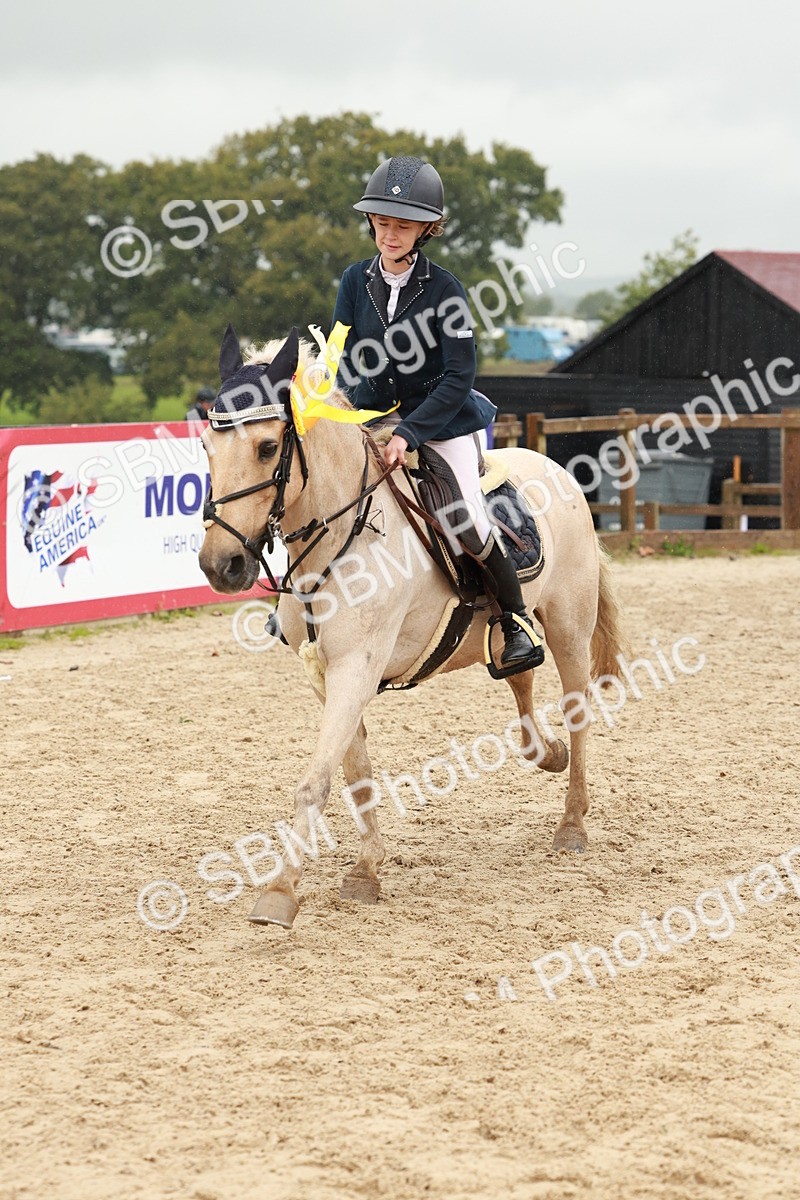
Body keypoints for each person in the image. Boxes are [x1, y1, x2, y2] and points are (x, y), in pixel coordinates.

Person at [331, 155, 543, 671]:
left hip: (442, 420)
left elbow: (458, 377)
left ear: (427, 227)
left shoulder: (446, 290)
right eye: (382, 223)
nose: (390, 234)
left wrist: (408, 432)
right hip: (373, 417)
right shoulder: (354, 282)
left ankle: (513, 622)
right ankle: (300, 609)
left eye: (402, 225)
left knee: (463, 515)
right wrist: (334, 408)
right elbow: (341, 355)